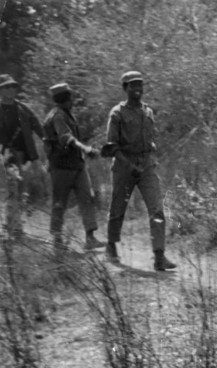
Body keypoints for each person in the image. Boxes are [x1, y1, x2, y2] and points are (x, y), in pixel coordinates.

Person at [101, 71, 176, 271]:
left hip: (146, 166)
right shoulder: (116, 113)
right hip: (124, 166)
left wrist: (150, 159)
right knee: (118, 209)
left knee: (157, 209)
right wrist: (129, 165)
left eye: (140, 85)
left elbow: (151, 139)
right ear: (125, 88)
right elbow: (112, 146)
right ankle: (111, 245)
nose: (137, 89)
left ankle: (159, 256)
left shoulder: (148, 112)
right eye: (132, 85)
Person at [42, 83, 106, 250]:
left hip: (77, 165)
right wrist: (85, 148)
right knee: (59, 203)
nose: (73, 100)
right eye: (70, 97)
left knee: (87, 199)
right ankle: (57, 240)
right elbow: (66, 138)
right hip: (61, 167)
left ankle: (90, 238)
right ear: (64, 99)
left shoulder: (66, 114)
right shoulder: (57, 116)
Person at [0, 74, 43, 238]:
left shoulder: (23, 108)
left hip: (25, 157)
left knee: (29, 190)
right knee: (13, 189)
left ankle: (11, 224)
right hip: (6, 156)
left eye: (13, 86)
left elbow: (39, 127)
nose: (12, 89)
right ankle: (14, 230)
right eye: (7, 87)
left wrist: (48, 141)